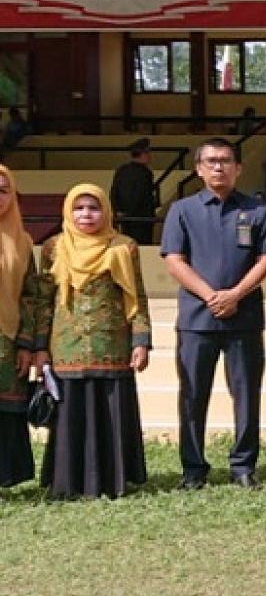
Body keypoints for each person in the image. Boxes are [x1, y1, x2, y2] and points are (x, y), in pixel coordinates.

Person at [161, 138, 266, 490]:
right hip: (198, 319)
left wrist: (236, 294)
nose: (218, 167)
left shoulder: (258, 210)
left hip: (243, 317)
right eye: (210, 161)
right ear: (198, 168)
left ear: (239, 167)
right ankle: (193, 467)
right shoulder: (182, 210)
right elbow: (173, 259)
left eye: (226, 161)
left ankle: (243, 465)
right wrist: (211, 295)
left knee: (245, 393)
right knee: (193, 394)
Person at [39, 185, 150, 499]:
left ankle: (113, 480)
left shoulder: (124, 247)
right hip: (66, 347)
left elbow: (137, 296)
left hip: (112, 345)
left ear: (106, 211)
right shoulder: (54, 248)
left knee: (110, 411)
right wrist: (38, 348)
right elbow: (42, 302)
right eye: (79, 208)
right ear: (68, 212)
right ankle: (68, 482)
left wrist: (140, 340)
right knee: (70, 415)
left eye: (93, 208)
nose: (86, 215)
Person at [0, 165, 40, 490]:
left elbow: (31, 296)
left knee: (5, 413)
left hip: (8, 340)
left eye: (3, 190)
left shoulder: (23, 241)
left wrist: (26, 344)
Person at [110, 138, 156, 245]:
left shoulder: (122, 170)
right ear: (143, 154)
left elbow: (114, 192)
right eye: (148, 153)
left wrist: (118, 210)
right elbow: (140, 196)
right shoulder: (145, 173)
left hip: (125, 218)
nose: (150, 156)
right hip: (142, 219)